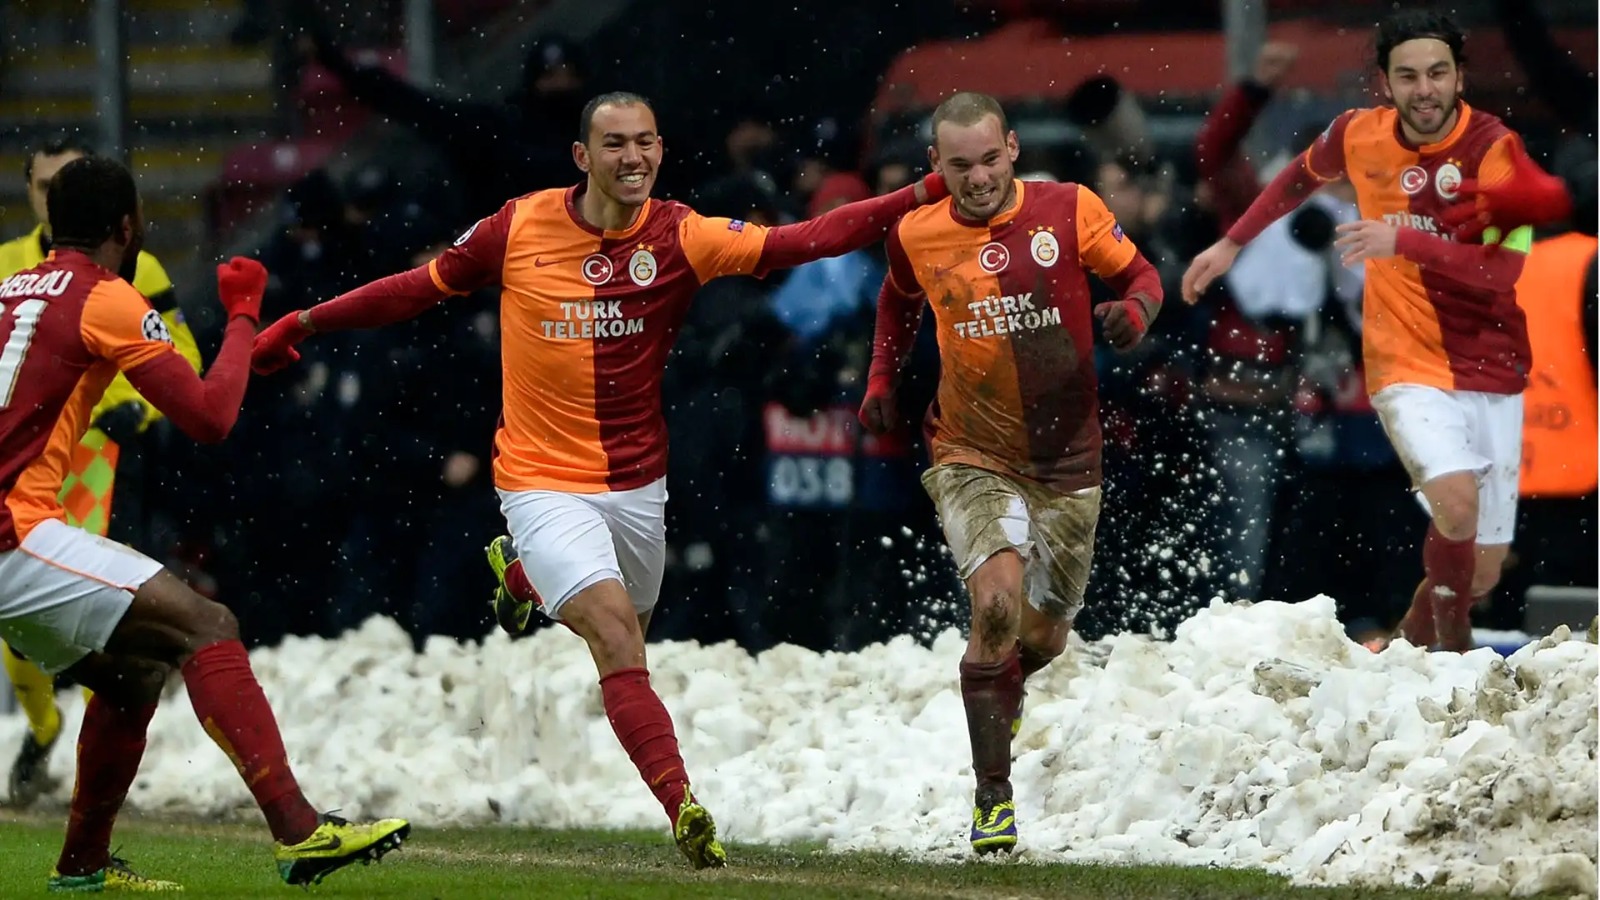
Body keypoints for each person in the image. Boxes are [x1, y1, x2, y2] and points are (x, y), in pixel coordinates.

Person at [248, 90, 949, 869]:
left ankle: (523, 575)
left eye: (645, 141)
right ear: (582, 156)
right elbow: (415, 289)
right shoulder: (518, 226)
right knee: (615, 636)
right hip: (539, 479)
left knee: (621, 624)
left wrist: (919, 193)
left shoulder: (682, 234)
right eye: (615, 143)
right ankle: (683, 806)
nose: (633, 157)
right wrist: (302, 322)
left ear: (661, 150)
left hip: (637, 485)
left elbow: (807, 240)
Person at [0, 155, 409, 890]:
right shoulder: (107, 296)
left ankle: (82, 868)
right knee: (208, 624)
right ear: (128, 226)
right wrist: (245, 313)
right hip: (14, 535)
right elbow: (211, 417)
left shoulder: (8, 288)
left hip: (20, 533)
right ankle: (300, 832)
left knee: (131, 673)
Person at [1181, 9, 1571, 652]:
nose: (1425, 89)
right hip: (1403, 362)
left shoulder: (1498, 152)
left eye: (1438, 73)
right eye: (1408, 76)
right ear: (1385, 83)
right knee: (1455, 508)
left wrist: (1404, 241)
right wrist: (1232, 242)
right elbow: (1297, 176)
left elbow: (1501, 272)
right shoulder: (1357, 135)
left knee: (1481, 571)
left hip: (1491, 366)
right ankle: (1451, 654)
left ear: (1460, 77)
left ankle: (1408, 652)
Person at [858, 91, 1164, 853]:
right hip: (971, 451)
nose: (979, 178)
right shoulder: (917, 232)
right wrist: (880, 379)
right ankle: (992, 795)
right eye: (960, 165)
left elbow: (1144, 277)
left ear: (1014, 149)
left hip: (1068, 460)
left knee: (1046, 637)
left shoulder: (1070, 208)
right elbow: (896, 304)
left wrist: (1135, 314)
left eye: (990, 159)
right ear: (937, 164)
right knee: (995, 605)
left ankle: (1005, 694)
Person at [0, 136, 204, 807]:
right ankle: (43, 725)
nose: (56, 194)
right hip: (22, 461)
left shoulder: (135, 270)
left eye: (68, 180)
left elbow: (180, 352)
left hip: (103, 459)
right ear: (31, 192)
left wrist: (132, 408)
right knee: (24, 612)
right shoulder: (6, 264)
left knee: (107, 620)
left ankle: (101, 771)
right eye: (45, 184)